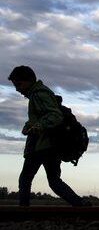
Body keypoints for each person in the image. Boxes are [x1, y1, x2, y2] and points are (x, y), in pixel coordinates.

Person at [9, 65, 89, 207]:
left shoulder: (38, 94)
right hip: (52, 145)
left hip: (41, 145)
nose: (17, 89)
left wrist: (37, 127)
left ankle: (23, 212)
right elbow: (43, 115)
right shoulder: (41, 93)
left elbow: (54, 115)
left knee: (25, 179)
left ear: (28, 81)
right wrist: (29, 125)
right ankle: (80, 205)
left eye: (19, 84)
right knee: (54, 181)